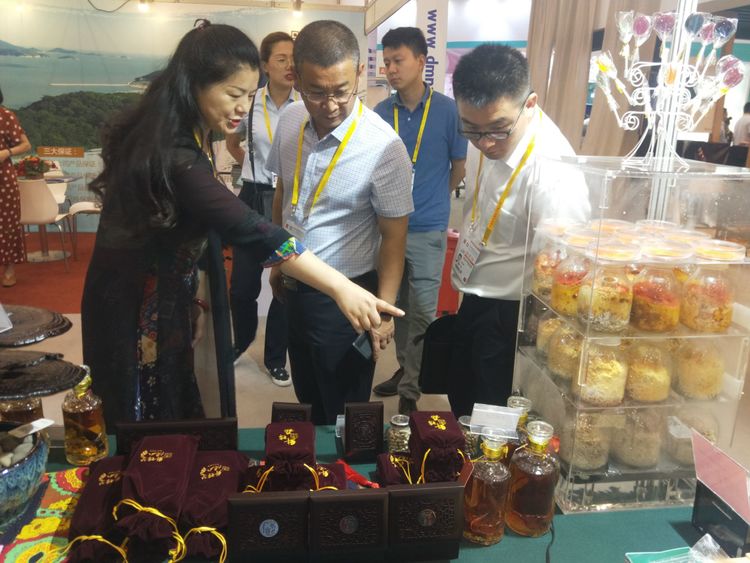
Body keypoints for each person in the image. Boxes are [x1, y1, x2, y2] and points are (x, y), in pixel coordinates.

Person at [81, 21, 402, 428]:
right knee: (142, 415)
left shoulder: (186, 131)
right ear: (194, 85)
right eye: (234, 94)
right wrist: (341, 287)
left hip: (165, 295)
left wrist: (192, 298)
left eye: (250, 95)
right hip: (133, 306)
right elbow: (250, 227)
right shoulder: (173, 151)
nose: (243, 108)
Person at [267, 20, 413, 425]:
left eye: (342, 91)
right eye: (316, 92)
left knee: (344, 412)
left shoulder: (384, 147)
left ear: (360, 74)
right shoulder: (291, 120)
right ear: (296, 78)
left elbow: (394, 237)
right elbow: (283, 194)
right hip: (295, 286)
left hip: (348, 298)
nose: (330, 105)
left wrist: (384, 312)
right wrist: (278, 263)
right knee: (307, 397)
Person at [447, 44, 590, 417]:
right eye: (471, 130)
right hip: (475, 292)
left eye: (498, 130)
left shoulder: (554, 173)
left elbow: (565, 272)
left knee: (492, 413)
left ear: (530, 104)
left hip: (511, 315)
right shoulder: (487, 128)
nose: (485, 143)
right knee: (462, 399)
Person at [372, 27, 467, 415]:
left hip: (428, 228)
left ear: (421, 62)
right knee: (396, 309)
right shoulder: (381, 113)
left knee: (424, 312)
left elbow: (458, 168)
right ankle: (404, 369)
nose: (391, 69)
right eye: (387, 62)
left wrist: (431, 199)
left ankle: (410, 391)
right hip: (387, 229)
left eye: (398, 60)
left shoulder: (447, 111)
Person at [225, 31, 296, 386]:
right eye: (281, 59)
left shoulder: (304, 106)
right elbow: (232, 142)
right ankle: (241, 340)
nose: (289, 65)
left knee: (284, 281)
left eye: (294, 58)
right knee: (242, 286)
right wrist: (252, 168)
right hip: (253, 196)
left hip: (289, 198)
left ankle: (276, 358)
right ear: (265, 65)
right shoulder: (250, 103)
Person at [0, 86, 31, 288]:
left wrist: (7, 152)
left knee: (7, 223)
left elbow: (26, 145)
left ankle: (9, 268)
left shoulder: (6, 116)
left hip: (3, 179)